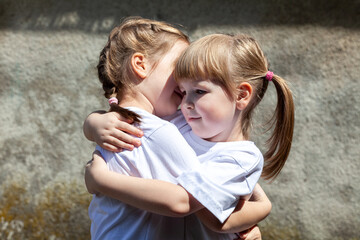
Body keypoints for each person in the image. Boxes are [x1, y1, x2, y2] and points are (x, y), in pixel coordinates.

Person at [85, 17, 272, 240]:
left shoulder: (153, 124)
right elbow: (187, 202)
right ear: (140, 65)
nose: (185, 84)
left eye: (199, 89)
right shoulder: (158, 130)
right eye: (179, 67)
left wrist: (92, 123)